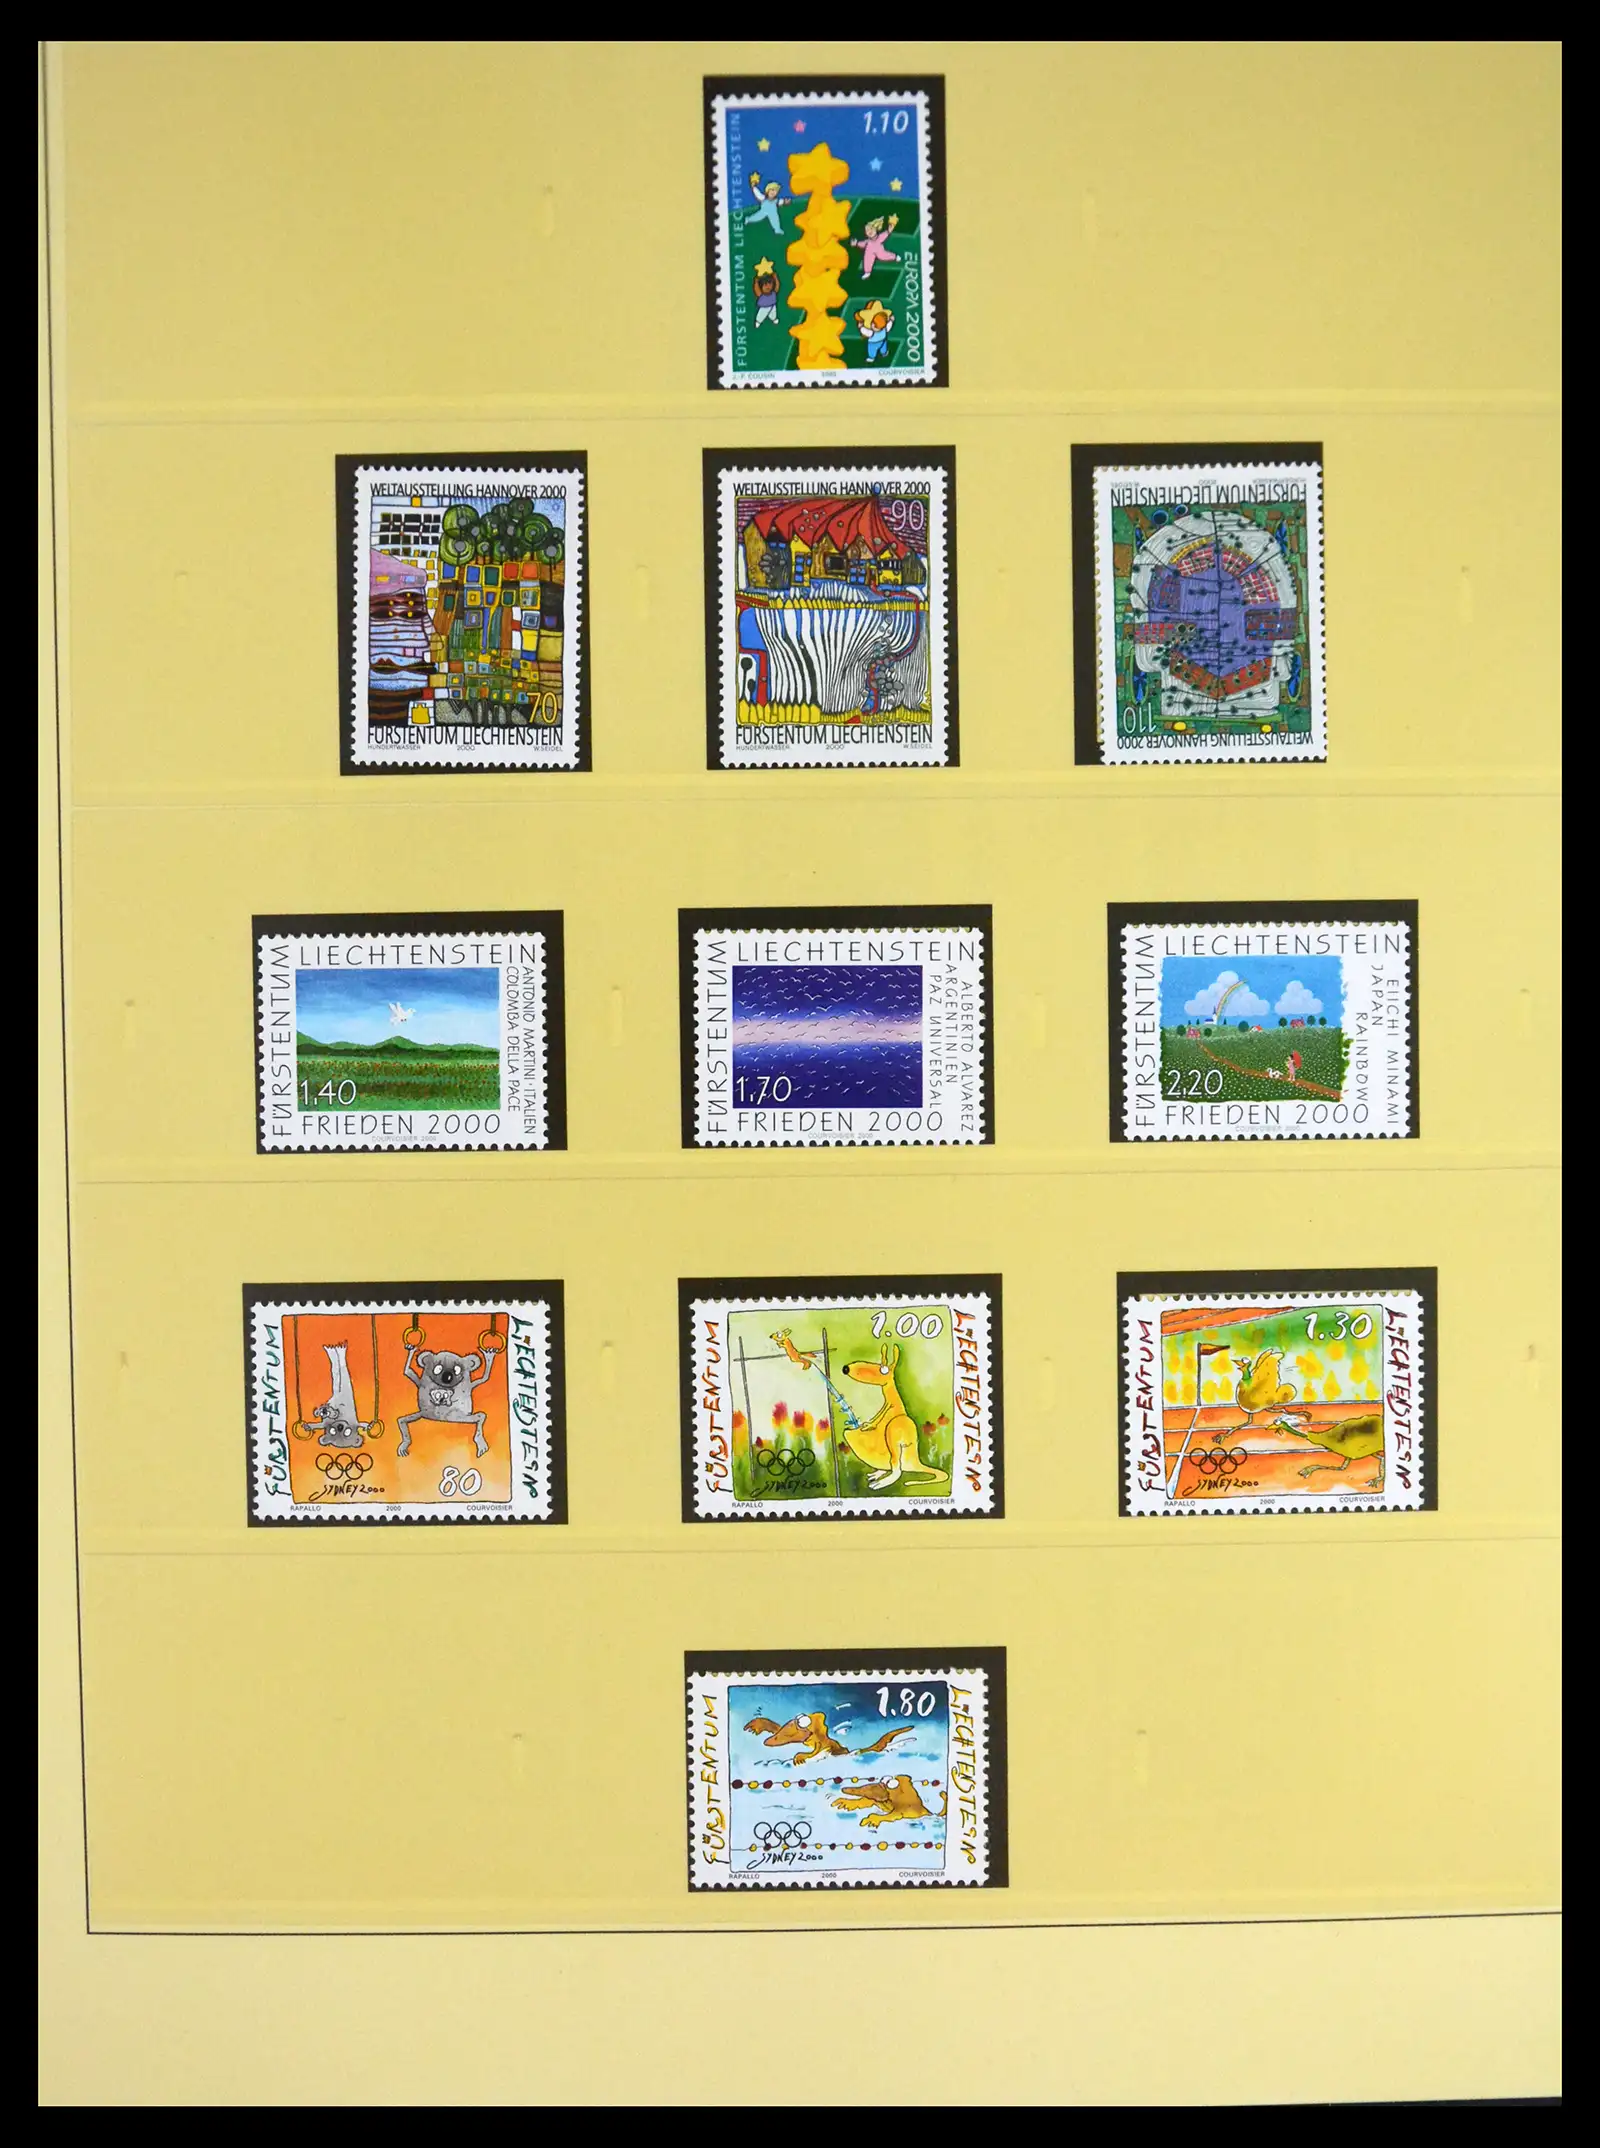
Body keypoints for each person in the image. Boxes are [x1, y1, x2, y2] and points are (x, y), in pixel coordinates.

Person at [851, 212, 900, 277]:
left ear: (876, 228)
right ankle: (867, 272)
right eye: (867, 230)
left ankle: (895, 257)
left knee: (883, 256)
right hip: (870, 252)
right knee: (867, 259)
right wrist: (856, 243)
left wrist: (889, 229)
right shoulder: (867, 242)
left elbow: (886, 234)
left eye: (871, 229)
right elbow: (862, 244)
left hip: (879, 251)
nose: (869, 231)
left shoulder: (879, 237)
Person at [855, 299, 894, 363]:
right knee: (883, 347)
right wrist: (891, 320)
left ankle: (872, 357)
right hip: (883, 340)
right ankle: (884, 353)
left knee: (872, 350)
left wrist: (861, 327)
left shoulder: (871, 333)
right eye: (873, 323)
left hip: (873, 343)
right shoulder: (885, 328)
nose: (872, 325)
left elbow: (865, 331)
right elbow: (889, 325)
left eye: (875, 325)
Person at [751, 258, 780, 329]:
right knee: (761, 315)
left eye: (770, 284)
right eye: (765, 285)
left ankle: (774, 319)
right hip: (764, 306)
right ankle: (758, 322)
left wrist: (775, 278)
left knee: (773, 314)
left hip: (772, 305)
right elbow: (757, 290)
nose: (768, 286)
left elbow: (777, 286)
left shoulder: (773, 293)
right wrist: (756, 282)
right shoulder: (762, 295)